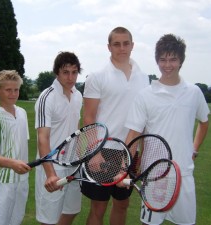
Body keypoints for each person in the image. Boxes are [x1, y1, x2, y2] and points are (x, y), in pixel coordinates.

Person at [125, 34, 210, 225]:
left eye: (173, 59)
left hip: (184, 174)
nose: (167, 64)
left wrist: (194, 150)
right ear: (157, 61)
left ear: (181, 61)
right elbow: (134, 135)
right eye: (163, 59)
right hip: (154, 175)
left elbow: (204, 122)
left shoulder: (194, 92)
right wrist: (125, 167)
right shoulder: (145, 95)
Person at [82, 26, 150, 225]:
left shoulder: (143, 77)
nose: (122, 48)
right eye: (116, 44)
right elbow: (88, 117)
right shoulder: (97, 76)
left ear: (132, 45)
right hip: (102, 149)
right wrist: (94, 152)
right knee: (99, 207)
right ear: (109, 47)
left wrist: (138, 153)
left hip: (129, 151)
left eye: (126, 43)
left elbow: (142, 120)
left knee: (122, 204)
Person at [34, 51, 83, 225]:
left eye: (74, 72)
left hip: (73, 165)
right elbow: (42, 138)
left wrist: (80, 159)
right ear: (57, 72)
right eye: (65, 72)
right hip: (53, 166)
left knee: (72, 211)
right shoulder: (47, 97)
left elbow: (75, 130)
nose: (70, 77)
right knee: (49, 220)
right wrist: (50, 174)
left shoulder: (78, 96)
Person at [0, 70, 31, 225]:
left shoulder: (22, 113)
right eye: (8, 90)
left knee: (16, 220)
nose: (13, 94)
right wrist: (13, 163)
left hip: (22, 179)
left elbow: (23, 143)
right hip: (3, 181)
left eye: (16, 89)